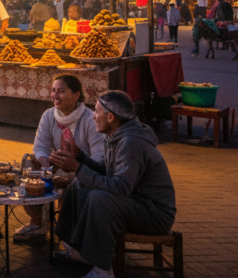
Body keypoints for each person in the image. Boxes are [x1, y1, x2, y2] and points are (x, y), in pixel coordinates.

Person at [50, 91, 176, 278]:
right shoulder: (116, 134)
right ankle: (81, 251)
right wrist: (80, 158)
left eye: (97, 111)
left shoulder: (130, 142)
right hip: (136, 203)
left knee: (100, 199)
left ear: (110, 117)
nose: (93, 116)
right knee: (80, 187)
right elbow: (106, 172)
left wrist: (77, 168)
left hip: (155, 213)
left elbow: (120, 188)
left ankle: (103, 269)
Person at [14, 75, 105, 242]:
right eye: (53, 91)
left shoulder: (89, 119)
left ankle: (66, 228)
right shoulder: (49, 115)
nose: (55, 96)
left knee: (66, 176)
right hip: (56, 163)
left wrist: (74, 164)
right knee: (28, 161)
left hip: (81, 168)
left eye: (61, 92)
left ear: (76, 95)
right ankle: (38, 222)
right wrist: (45, 165)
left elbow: (99, 157)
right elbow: (41, 145)